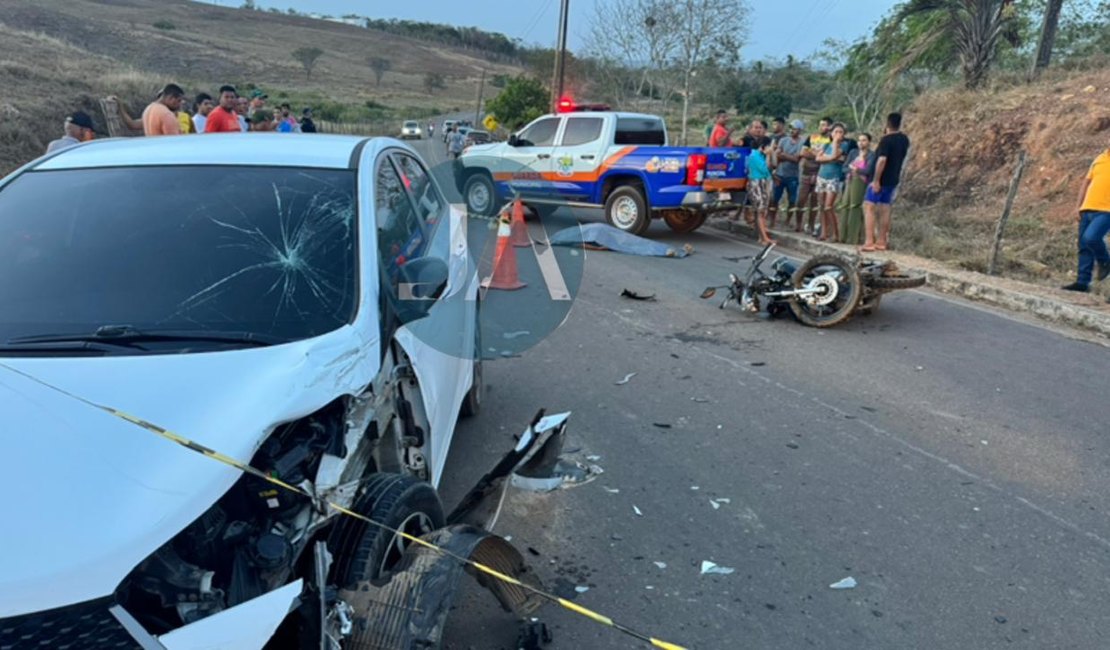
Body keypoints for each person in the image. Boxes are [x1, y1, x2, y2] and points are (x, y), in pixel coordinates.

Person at [1062, 145, 1110, 294]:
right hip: (1087, 208)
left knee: (1091, 238)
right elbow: (1086, 183)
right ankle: (1082, 282)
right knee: (1084, 246)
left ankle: (1105, 261)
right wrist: (1078, 206)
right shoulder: (1099, 159)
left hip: (1106, 210)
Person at [862, 112, 912, 252]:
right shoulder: (904, 139)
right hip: (893, 178)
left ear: (887, 124)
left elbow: (882, 160)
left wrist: (876, 180)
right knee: (885, 208)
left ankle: (869, 241)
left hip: (881, 179)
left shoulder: (886, 140)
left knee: (869, 206)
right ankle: (881, 241)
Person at [814, 123, 849, 243]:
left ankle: (835, 233)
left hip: (833, 177)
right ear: (831, 133)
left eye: (841, 132)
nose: (838, 134)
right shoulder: (826, 144)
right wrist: (829, 158)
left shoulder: (843, 145)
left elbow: (835, 154)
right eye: (836, 132)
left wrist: (834, 144)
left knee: (829, 206)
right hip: (821, 176)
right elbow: (818, 158)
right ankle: (824, 232)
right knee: (822, 205)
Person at [798, 117, 833, 235]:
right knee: (801, 199)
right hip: (806, 172)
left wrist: (812, 153)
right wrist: (817, 154)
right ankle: (798, 224)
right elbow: (803, 152)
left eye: (823, 125)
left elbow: (828, 157)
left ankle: (811, 225)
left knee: (814, 201)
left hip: (819, 173)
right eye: (820, 125)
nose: (821, 127)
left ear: (829, 127)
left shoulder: (831, 140)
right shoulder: (812, 137)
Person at [841, 132, 875, 246]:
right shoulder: (853, 152)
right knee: (845, 206)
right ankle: (842, 236)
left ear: (869, 142)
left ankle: (853, 237)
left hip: (860, 182)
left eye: (864, 140)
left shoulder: (871, 155)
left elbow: (868, 171)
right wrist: (852, 169)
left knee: (855, 207)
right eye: (859, 140)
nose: (861, 142)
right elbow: (844, 167)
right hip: (849, 181)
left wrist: (856, 169)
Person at [771, 119, 804, 231]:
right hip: (780, 174)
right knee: (774, 198)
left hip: (793, 176)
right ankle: (772, 220)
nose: (791, 131)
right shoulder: (783, 140)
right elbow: (777, 155)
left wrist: (784, 155)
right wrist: (787, 156)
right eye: (790, 128)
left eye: (794, 129)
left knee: (792, 200)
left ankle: (788, 220)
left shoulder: (802, 142)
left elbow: (797, 159)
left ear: (800, 130)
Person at [747, 137, 776, 245]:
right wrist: (768, 155)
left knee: (762, 211)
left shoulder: (760, 155)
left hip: (764, 183)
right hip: (757, 184)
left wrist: (772, 154)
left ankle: (762, 236)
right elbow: (765, 169)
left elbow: (774, 165)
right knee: (760, 211)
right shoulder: (754, 156)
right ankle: (764, 237)